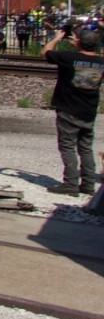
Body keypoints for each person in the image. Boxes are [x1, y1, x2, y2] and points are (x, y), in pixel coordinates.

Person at [41, 26, 104, 196]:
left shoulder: (68, 57)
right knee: (86, 148)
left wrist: (56, 38)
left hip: (68, 109)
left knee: (67, 146)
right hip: (89, 111)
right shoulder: (101, 62)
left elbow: (45, 52)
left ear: (78, 42)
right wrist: (79, 43)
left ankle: (70, 184)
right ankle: (88, 184)